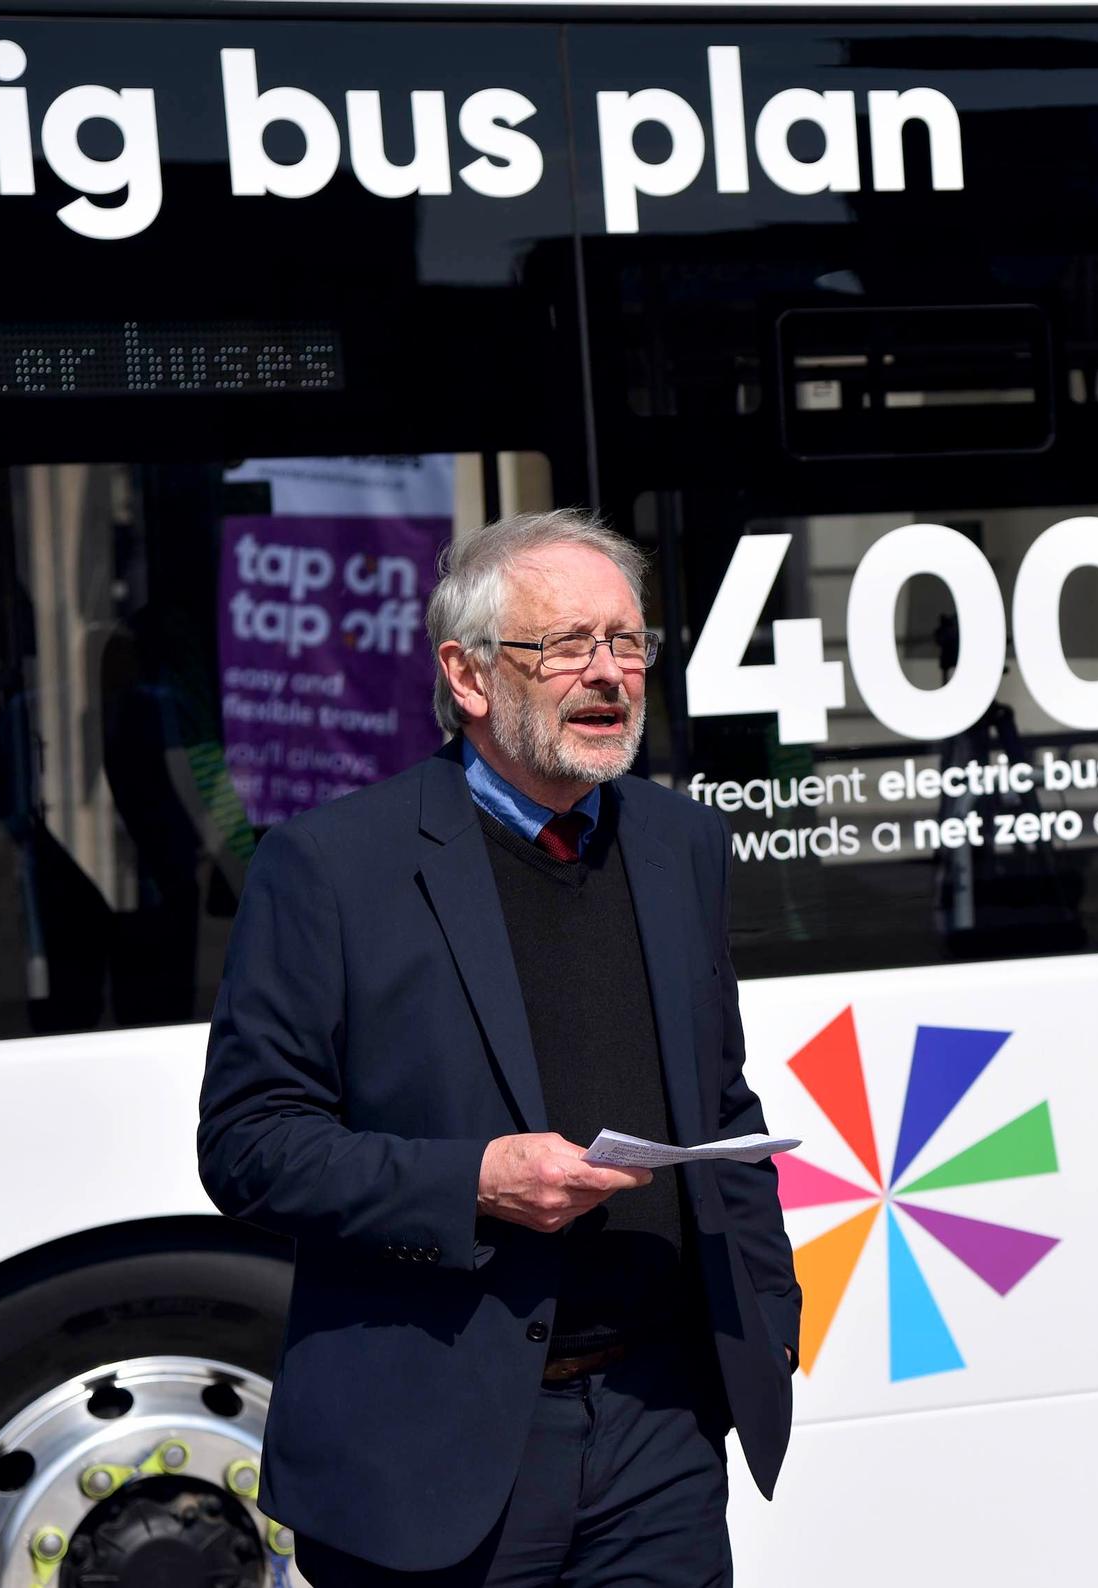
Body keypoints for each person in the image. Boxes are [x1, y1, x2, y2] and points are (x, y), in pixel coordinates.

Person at [197, 509, 799, 1587]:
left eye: (629, 641)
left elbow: (719, 1100)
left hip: (658, 1425)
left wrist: (766, 1321)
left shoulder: (680, 842)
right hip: (436, 1447)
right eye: (568, 644)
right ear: (467, 677)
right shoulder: (330, 867)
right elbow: (249, 1144)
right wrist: (471, 1180)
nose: (610, 672)